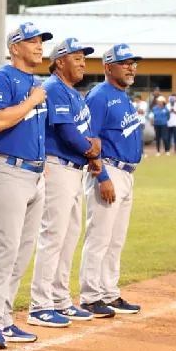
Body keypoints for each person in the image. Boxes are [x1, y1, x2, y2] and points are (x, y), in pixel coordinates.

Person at [0, 22, 50, 349]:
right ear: (14, 47)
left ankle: (5, 319)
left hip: (33, 175)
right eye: (32, 41)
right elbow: (0, 120)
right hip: (5, 171)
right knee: (5, 251)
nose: (39, 46)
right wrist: (34, 100)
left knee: (22, 253)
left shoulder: (35, 82)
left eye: (40, 41)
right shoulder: (4, 78)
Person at [28, 38, 100, 328]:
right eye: (77, 58)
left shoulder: (73, 92)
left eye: (84, 58)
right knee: (53, 237)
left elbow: (84, 132)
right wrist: (91, 149)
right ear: (60, 62)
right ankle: (39, 305)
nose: (83, 62)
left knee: (69, 236)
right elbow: (69, 132)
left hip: (75, 169)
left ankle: (59, 299)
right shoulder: (54, 88)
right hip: (57, 167)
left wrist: (91, 151)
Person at [79, 43, 144, 317]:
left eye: (133, 63)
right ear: (108, 67)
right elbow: (88, 139)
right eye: (124, 62)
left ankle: (109, 292)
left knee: (115, 240)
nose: (131, 67)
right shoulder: (100, 96)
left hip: (126, 173)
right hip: (108, 171)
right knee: (99, 237)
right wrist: (102, 176)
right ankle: (90, 296)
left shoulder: (122, 95)